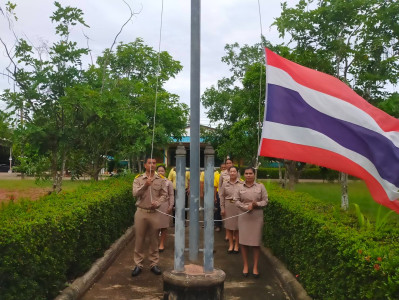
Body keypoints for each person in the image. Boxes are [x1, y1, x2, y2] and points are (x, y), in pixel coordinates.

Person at [131, 157, 167, 277]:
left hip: (154, 213)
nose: (152, 165)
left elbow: (164, 194)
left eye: (154, 163)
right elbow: (135, 193)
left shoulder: (160, 179)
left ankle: (154, 263)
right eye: (149, 163)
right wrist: (145, 185)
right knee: (139, 239)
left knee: (154, 239)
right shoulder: (138, 179)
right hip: (141, 212)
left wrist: (158, 202)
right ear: (145, 165)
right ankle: (138, 264)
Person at [235, 167, 268, 278]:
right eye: (246, 173)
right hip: (244, 216)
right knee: (243, 242)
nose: (248, 175)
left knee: (256, 243)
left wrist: (256, 204)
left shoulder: (260, 186)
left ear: (254, 174)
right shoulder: (239, 187)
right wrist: (246, 207)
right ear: (244, 175)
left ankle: (255, 267)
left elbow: (265, 201)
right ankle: (245, 265)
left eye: (250, 173)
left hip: (256, 217)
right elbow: (236, 201)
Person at [219, 166, 242, 254]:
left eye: (234, 171)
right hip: (228, 206)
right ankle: (231, 245)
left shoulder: (241, 183)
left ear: (237, 173)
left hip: (237, 206)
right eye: (231, 171)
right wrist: (222, 208)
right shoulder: (225, 184)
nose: (232, 173)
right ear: (228, 173)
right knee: (228, 227)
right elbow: (221, 196)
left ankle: (236, 245)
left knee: (237, 228)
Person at [156, 165, 174, 252]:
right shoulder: (153, 181)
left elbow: (171, 195)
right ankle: (155, 243)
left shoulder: (168, 182)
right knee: (154, 226)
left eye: (162, 171)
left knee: (163, 226)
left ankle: (161, 244)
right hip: (155, 206)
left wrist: (171, 206)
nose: (160, 172)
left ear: (165, 172)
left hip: (164, 205)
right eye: (159, 171)